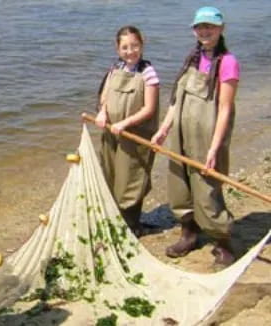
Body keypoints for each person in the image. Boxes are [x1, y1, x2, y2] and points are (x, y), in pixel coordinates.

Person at [151, 7, 239, 266]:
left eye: (210, 26)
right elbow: (176, 102)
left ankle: (223, 243)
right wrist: (163, 129)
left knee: (206, 190)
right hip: (181, 133)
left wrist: (214, 148)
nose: (205, 31)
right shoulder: (192, 58)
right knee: (179, 184)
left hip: (208, 135)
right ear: (194, 30)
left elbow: (224, 108)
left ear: (221, 29)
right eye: (200, 26)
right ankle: (189, 233)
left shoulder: (228, 62)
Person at [94, 25, 160, 236]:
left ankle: (132, 226)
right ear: (117, 48)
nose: (130, 51)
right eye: (125, 47)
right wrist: (103, 113)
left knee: (131, 179)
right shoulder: (115, 69)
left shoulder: (148, 73)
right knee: (111, 175)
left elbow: (149, 109)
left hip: (135, 136)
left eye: (134, 46)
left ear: (142, 45)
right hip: (111, 134)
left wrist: (124, 124)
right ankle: (115, 220)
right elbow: (105, 97)